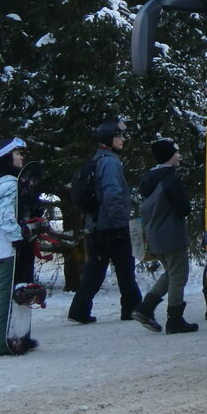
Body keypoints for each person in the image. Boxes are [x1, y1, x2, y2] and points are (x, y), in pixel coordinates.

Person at [68, 119, 143, 324]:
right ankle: (133, 308)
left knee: (95, 270)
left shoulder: (98, 159)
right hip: (111, 226)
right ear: (109, 138)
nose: (123, 139)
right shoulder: (110, 162)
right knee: (125, 268)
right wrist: (120, 224)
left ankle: (78, 310)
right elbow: (113, 195)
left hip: (96, 226)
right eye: (119, 136)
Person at [131, 139, 197, 334]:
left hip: (155, 234)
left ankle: (145, 309)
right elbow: (184, 208)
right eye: (176, 153)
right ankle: (175, 319)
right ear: (169, 156)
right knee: (179, 275)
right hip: (172, 234)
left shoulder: (148, 178)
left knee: (170, 273)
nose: (179, 156)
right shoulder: (170, 179)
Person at [0, 137, 36, 356]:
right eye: (16, 154)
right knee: (7, 294)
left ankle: (17, 335)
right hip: (6, 245)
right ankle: (0, 343)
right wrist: (20, 239)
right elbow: (6, 219)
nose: (21, 157)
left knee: (12, 290)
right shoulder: (10, 185)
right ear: (6, 158)